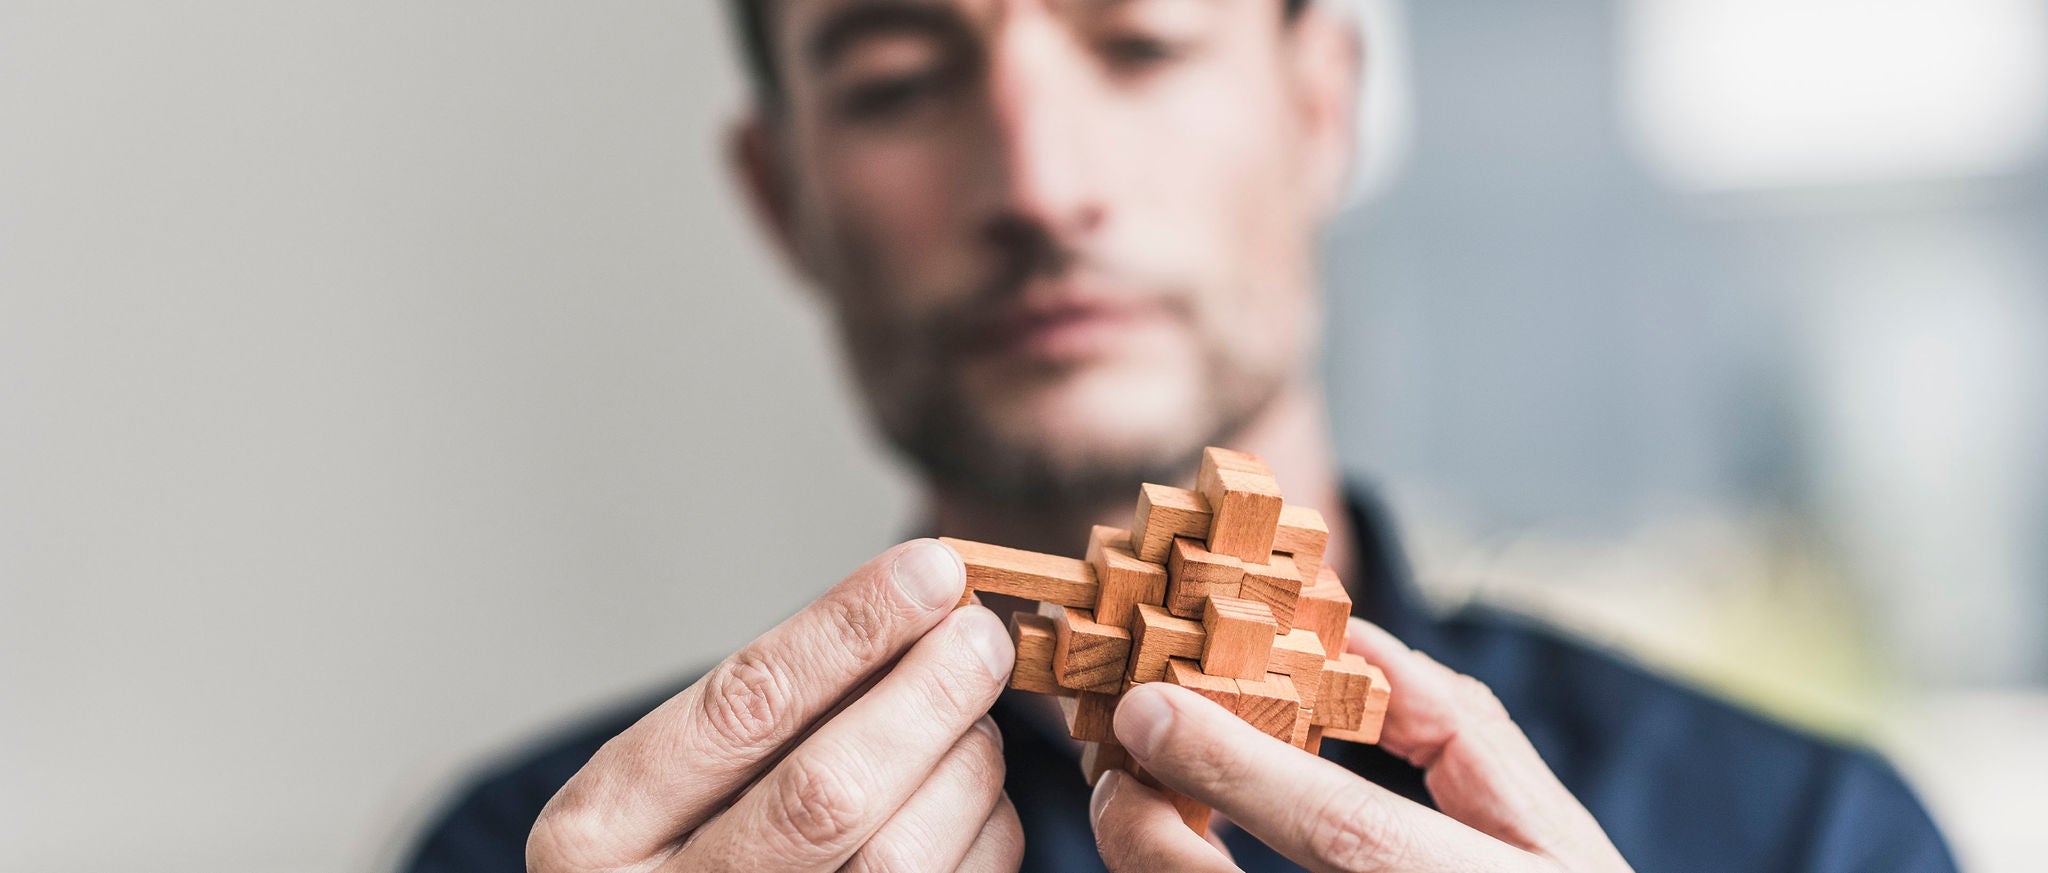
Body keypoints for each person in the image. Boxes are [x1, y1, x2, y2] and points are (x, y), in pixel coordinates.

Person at [402, 1, 1957, 870]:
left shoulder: (1808, 836)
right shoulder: (555, 847)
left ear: (1322, 103)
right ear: (778, 197)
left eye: (1139, 43)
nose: (1039, 177)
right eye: (896, 81)